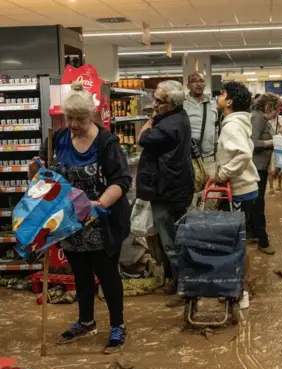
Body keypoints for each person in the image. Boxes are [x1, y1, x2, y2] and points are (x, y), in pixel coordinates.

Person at [35, 82, 132, 354]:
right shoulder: (59, 139)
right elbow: (42, 168)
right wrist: (39, 168)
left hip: (102, 220)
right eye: (70, 118)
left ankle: (118, 325)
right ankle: (86, 321)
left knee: (107, 274)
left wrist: (99, 203)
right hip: (70, 222)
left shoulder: (106, 142)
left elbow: (122, 180)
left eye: (80, 119)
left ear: (92, 116)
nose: (74, 124)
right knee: (80, 274)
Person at [137, 80, 194, 306]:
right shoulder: (179, 118)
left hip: (167, 190)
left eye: (158, 102)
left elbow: (142, 138)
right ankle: (175, 281)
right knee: (171, 237)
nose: (154, 104)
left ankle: (183, 288)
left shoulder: (169, 126)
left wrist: (150, 119)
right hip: (175, 187)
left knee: (170, 241)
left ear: (171, 104)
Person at [213, 81, 260, 223]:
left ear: (229, 102)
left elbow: (244, 154)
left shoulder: (231, 126)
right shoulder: (237, 123)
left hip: (240, 190)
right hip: (244, 189)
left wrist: (222, 174)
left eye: (222, 94)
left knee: (233, 236)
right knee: (236, 234)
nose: (218, 97)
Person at [249, 93, 280, 254]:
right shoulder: (258, 119)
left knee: (256, 203)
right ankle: (263, 240)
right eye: (277, 110)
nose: (277, 114)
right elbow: (252, 142)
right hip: (255, 167)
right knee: (258, 204)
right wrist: (272, 142)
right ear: (268, 107)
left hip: (259, 166)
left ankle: (254, 234)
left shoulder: (261, 119)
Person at [184, 71, 218, 182]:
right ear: (188, 85)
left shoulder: (213, 104)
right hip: (190, 159)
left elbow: (216, 128)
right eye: (194, 81)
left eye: (201, 81)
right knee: (192, 194)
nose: (198, 84)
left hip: (210, 158)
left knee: (211, 195)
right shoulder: (182, 105)